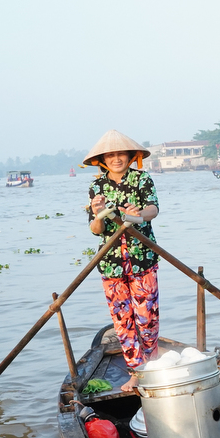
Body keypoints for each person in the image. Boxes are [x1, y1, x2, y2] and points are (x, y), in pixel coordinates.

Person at [83, 130, 160, 392]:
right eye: (111, 155)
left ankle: (152, 367)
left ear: (130, 156)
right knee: (122, 322)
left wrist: (138, 215)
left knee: (146, 318)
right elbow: (95, 229)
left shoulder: (142, 179)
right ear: (103, 159)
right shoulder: (96, 187)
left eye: (121, 154)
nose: (116, 159)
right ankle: (137, 373)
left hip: (142, 258)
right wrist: (97, 213)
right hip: (111, 261)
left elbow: (153, 209)